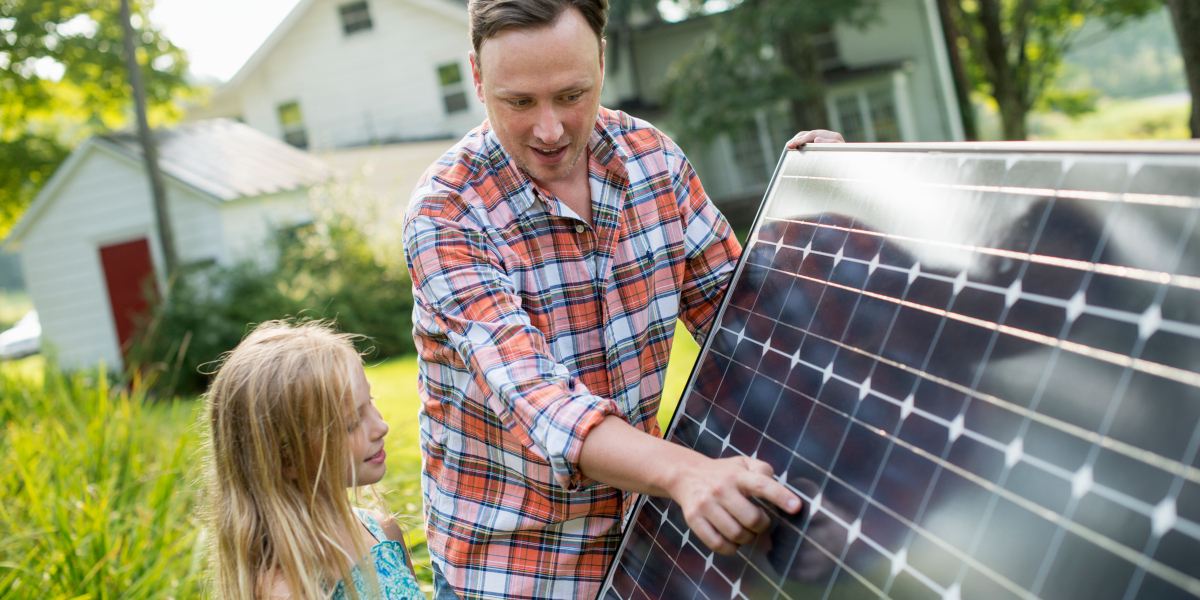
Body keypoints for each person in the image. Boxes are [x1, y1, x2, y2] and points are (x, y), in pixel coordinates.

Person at [403, 1, 844, 598]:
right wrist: (687, 472)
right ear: (478, 79)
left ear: (603, 63)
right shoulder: (446, 213)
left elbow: (748, 323)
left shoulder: (652, 160)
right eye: (520, 102)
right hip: (514, 573)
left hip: (646, 547)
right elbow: (537, 397)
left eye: (571, 94)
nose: (551, 129)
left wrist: (807, 209)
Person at [202, 321, 425, 600]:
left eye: (371, 400)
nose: (381, 427)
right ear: (287, 460)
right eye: (352, 422)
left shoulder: (382, 530)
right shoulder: (286, 589)